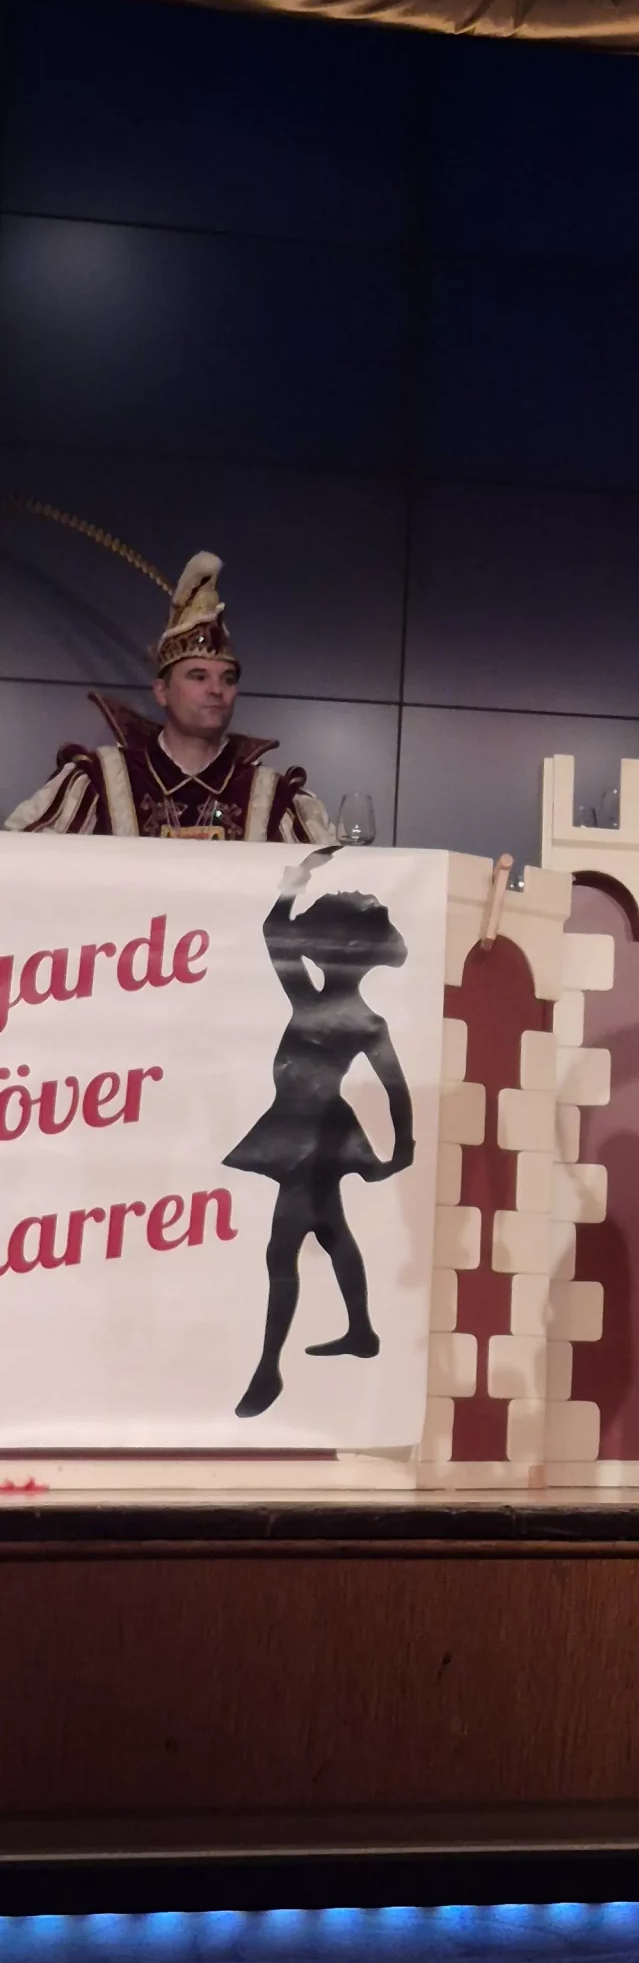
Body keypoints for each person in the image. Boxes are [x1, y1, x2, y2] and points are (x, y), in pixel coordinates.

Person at [224, 846, 415, 1418]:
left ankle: (268, 1368)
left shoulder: (361, 1021)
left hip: (315, 1138)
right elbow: (273, 934)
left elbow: (396, 1088)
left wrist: (403, 1149)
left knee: (283, 1248)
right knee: (331, 1232)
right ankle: (361, 1331)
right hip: (301, 1129)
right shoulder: (311, 999)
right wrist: (297, 880)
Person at [5, 550, 332, 840]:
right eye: (198, 676)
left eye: (227, 679)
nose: (216, 689)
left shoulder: (271, 798)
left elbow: (326, 879)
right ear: (161, 692)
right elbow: (23, 862)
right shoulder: (100, 781)